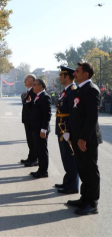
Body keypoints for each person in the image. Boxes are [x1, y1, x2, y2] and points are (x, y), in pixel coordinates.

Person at [66, 62, 102, 216]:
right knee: (82, 169)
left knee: (90, 170)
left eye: (77, 71)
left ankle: (92, 203)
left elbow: (92, 117)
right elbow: (75, 115)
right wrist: (71, 136)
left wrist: (83, 138)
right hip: (77, 138)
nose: (74, 74)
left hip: (87, 140)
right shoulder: (81, 89)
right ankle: (84, 198)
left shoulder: (91, 90)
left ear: (86, 74)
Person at [54, 66, 79, 194]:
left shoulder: (73, 91)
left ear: (67, 76)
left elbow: (73, 113)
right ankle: (67, 181)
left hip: (66, 129)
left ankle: (73, 186)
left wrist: (69, 131)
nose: (60, 77)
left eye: (61, 75)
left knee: (70, 158)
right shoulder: (66, 91)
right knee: (65, 157)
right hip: (62, 128)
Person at [29, 79, 52, 179]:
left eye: (35, 85)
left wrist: (43, 129)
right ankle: (40, 169)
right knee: (38, 150)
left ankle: (44, 171)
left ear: (41, 86)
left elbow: (47, 115)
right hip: (36, 128)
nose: (33, 86)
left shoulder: (45, 97)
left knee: (42, 151)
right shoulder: (37, 96)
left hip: (41, 129)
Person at [21, 74, 38, 166]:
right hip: (27, 120)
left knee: (33, 141)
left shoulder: (34, 91)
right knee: (30, 140)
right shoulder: (28, 91)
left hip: (32, 121)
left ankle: (34, 159)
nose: (25, 80)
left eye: (27, 79)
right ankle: (30, 157)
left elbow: (33, 107)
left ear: (32, 80)